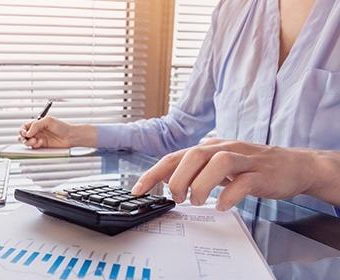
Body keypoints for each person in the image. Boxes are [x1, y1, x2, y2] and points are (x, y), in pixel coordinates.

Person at [19, 0, 340, 214]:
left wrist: (311, 170)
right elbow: (178, 130)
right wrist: (76, 135)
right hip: (223, 248)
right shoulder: (234, 10)